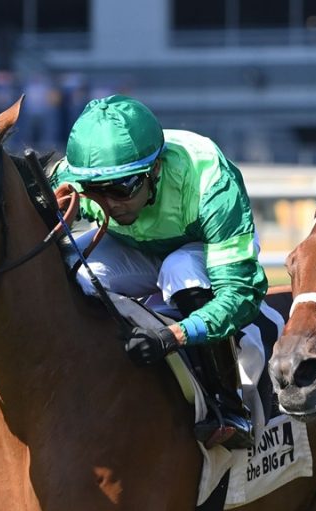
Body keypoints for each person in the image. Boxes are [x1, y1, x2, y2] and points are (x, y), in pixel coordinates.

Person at [50, 94, 265, 450]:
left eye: (120, 189)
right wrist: (51, 217)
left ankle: (228, 405)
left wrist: (172, 338)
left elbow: (240, 295)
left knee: (178, 268)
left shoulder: (210, 181)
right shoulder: (73, 178)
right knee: (72, 265)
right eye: (94, 192)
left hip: (203, 252)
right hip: (135, 248)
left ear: (155, 169)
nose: (107, 204)